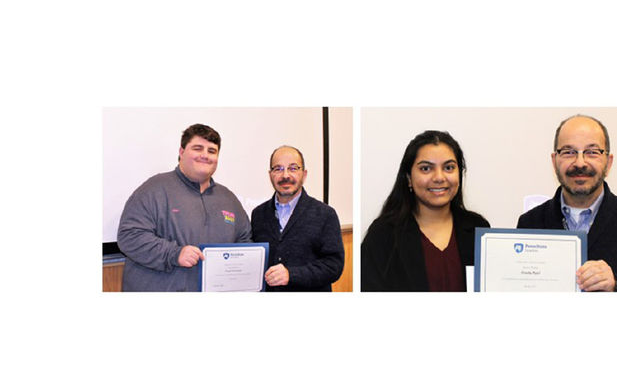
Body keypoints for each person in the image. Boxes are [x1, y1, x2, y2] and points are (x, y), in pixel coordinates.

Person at [516, 114, 617, 292]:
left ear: (608, 162)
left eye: (592, 152)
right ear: (554, 161)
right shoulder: (530, 224)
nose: (580, 163)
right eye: (569, 152)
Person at [117, 123, 252, 291]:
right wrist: (174, 254)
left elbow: (245, 242)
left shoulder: (229, 199)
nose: (205, 155)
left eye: (212, 151)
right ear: (181, 152)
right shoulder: (154, 189)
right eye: (197, 148)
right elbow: (129, 236)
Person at [361, 130, 490, 291]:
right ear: (408, 178)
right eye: (426, 169)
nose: (439, 177)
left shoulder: (479, 228)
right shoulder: (383, 234)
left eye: (449, 167)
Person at [251, 146, 344, 292]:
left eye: (293, 168)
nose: (285, 175)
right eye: (278, 169)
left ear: (304, 174)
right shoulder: (258, 215)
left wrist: (292, 275)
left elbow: (334, 266)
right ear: (270, 175)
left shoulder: (326, 214)